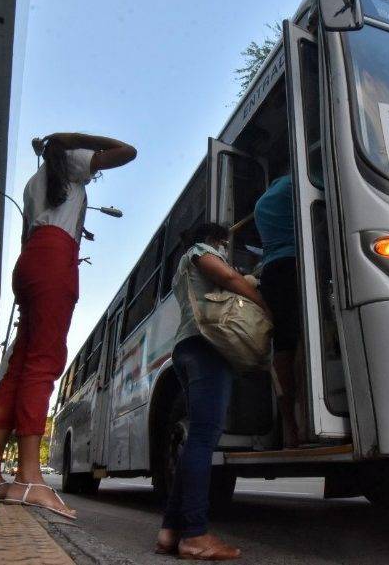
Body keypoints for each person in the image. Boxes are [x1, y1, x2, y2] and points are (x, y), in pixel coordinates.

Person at [0, 132, 136, 518]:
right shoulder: (72, 164)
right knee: (43, 363)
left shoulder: (32, 183)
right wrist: (71, 137)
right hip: (55, 259)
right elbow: (128, 151)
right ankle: (28, 479)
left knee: (20, 366)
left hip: (28, 262)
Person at [156, 222, 270, 560]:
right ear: (213, 239)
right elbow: (231, 280)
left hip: (187, 349)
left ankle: (169, 532)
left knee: (196, 440)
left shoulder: (181, 269)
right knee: (204, 439)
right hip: (207, 348)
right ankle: (194, 534)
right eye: (223, 242)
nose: (225, 247)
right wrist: (264, 304)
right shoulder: (199, 252)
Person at [254, 174, 301, 448]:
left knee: (283, 348)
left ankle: (291, 427)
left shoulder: (263, 203)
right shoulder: (295, 182)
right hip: (295, 263)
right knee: (307, 341)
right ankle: (309, 416)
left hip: (272, 271)